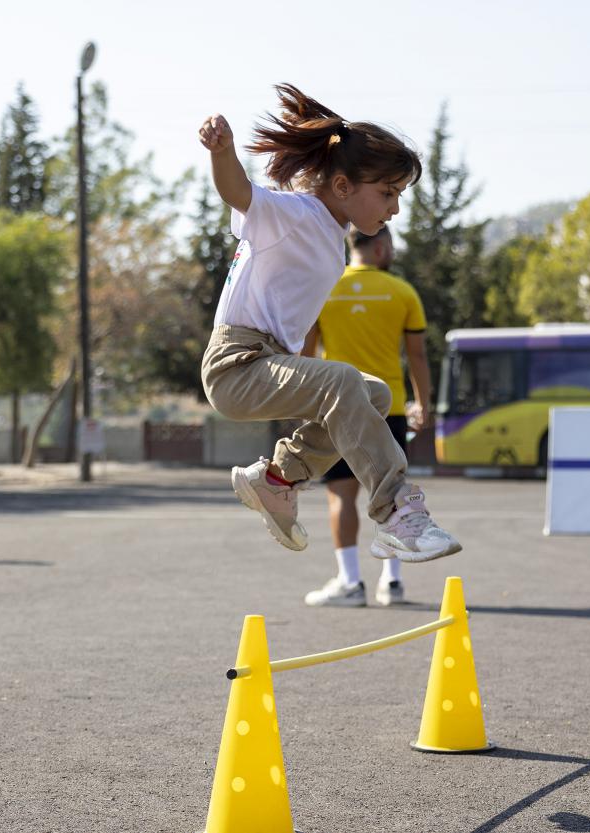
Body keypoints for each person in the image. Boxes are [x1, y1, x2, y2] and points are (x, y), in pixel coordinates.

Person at [197, 84, 461, 563]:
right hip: (235, 364)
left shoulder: (332, 239)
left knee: (374, 393)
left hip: (269, 360)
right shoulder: (295, 214)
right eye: (387, 193)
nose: (394, 208)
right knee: (341, 381)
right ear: (343, 187)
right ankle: (396, 513)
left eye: (398, 194)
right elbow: (237, 192)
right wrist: (223, 151)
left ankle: (278, 480)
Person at [300, 226, 431, 607]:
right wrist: (422, 402)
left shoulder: (325, 288)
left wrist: (305, 406)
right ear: (381, 246)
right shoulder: (402, 292)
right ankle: (391, 583)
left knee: (341, 496)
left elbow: (307, 355)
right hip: (387, 406)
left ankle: (350, 582)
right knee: (388, 494)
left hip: (336, 408)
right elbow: (418, 357)